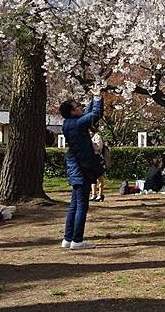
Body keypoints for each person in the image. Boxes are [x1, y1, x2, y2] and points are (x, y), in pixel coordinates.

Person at [59, 90, 103, 250]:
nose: (80, 107)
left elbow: (88, 114)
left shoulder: (68, 124)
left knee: (74, 205)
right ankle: (77, 240)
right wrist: (97, 98)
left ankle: (68, 238)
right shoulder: (77, 124)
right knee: (81, 206)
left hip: (75, 169)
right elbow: (95, 115)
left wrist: (93, 98)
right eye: (77, 106)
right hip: (82, 170)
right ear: (72, 111)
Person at [90, 125, 106, 202]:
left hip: (97, 159)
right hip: (90, 159)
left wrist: (91, 143)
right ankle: (93, 194)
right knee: (92, 178)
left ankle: (100, 194)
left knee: (100, 177)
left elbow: (99, 147)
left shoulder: (97, 137)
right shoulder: (86, 137)